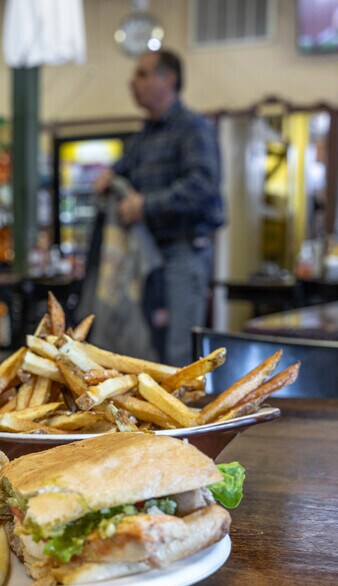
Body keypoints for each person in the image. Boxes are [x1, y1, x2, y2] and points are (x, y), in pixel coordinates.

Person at [94, 49, 224, 366]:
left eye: (142, 74)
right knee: (143, 349)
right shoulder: (143, 138)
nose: (132, 82)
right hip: (145, 259)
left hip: (182, 255)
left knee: (179, 354)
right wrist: (110, 177)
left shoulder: (193, 128)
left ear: (169, 78)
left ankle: (180, 416)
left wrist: (146, 207)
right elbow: (122, 171)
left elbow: (203, 187)